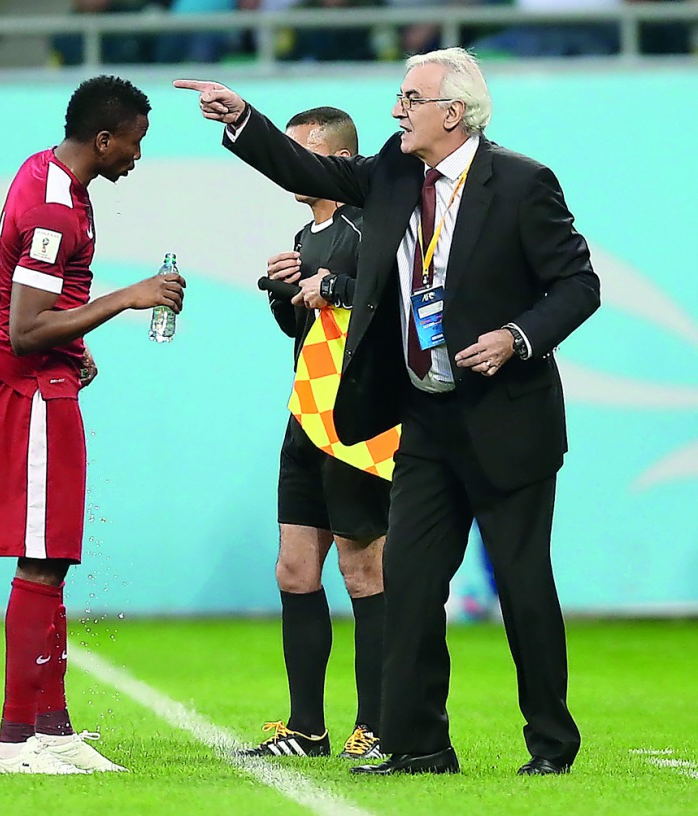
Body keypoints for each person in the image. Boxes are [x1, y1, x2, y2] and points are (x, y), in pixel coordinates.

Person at [176, 45, 599, 776]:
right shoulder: (394, 173)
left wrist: (516, 337)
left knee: (523, 585)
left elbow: (577, 285)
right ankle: (421, 745)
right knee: (409, 584)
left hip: (506, 417)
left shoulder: (523, 182)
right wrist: (243, 116)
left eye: (410, 99)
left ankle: (552, 745)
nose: (396, 111)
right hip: (424, 419)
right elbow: (308, 169)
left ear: (453, 112)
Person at [0, 75, 185, 775]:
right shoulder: (55, 206)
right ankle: (13, 740)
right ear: (103, 138)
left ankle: (52, 729)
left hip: (46, 381)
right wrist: (128, 298)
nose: (138, 156)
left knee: (55, 558)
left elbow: (20, 294)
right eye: (135, 142)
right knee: (39, 558)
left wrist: (74, 346)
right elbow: (26, 329)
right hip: (26, 389)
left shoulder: (51, 176)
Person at [238, 106, 388, 763]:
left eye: (300, 152)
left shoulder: (370, 227)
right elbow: (305, 328)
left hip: (354, 420)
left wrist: (340, 287)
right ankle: (306, 729)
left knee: (362, 569)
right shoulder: (305, 235)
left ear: (338, 160)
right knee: (295, 570)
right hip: (305, 413)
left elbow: (391, 309)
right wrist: (284, 291)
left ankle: (378, 725)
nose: (287, 165)